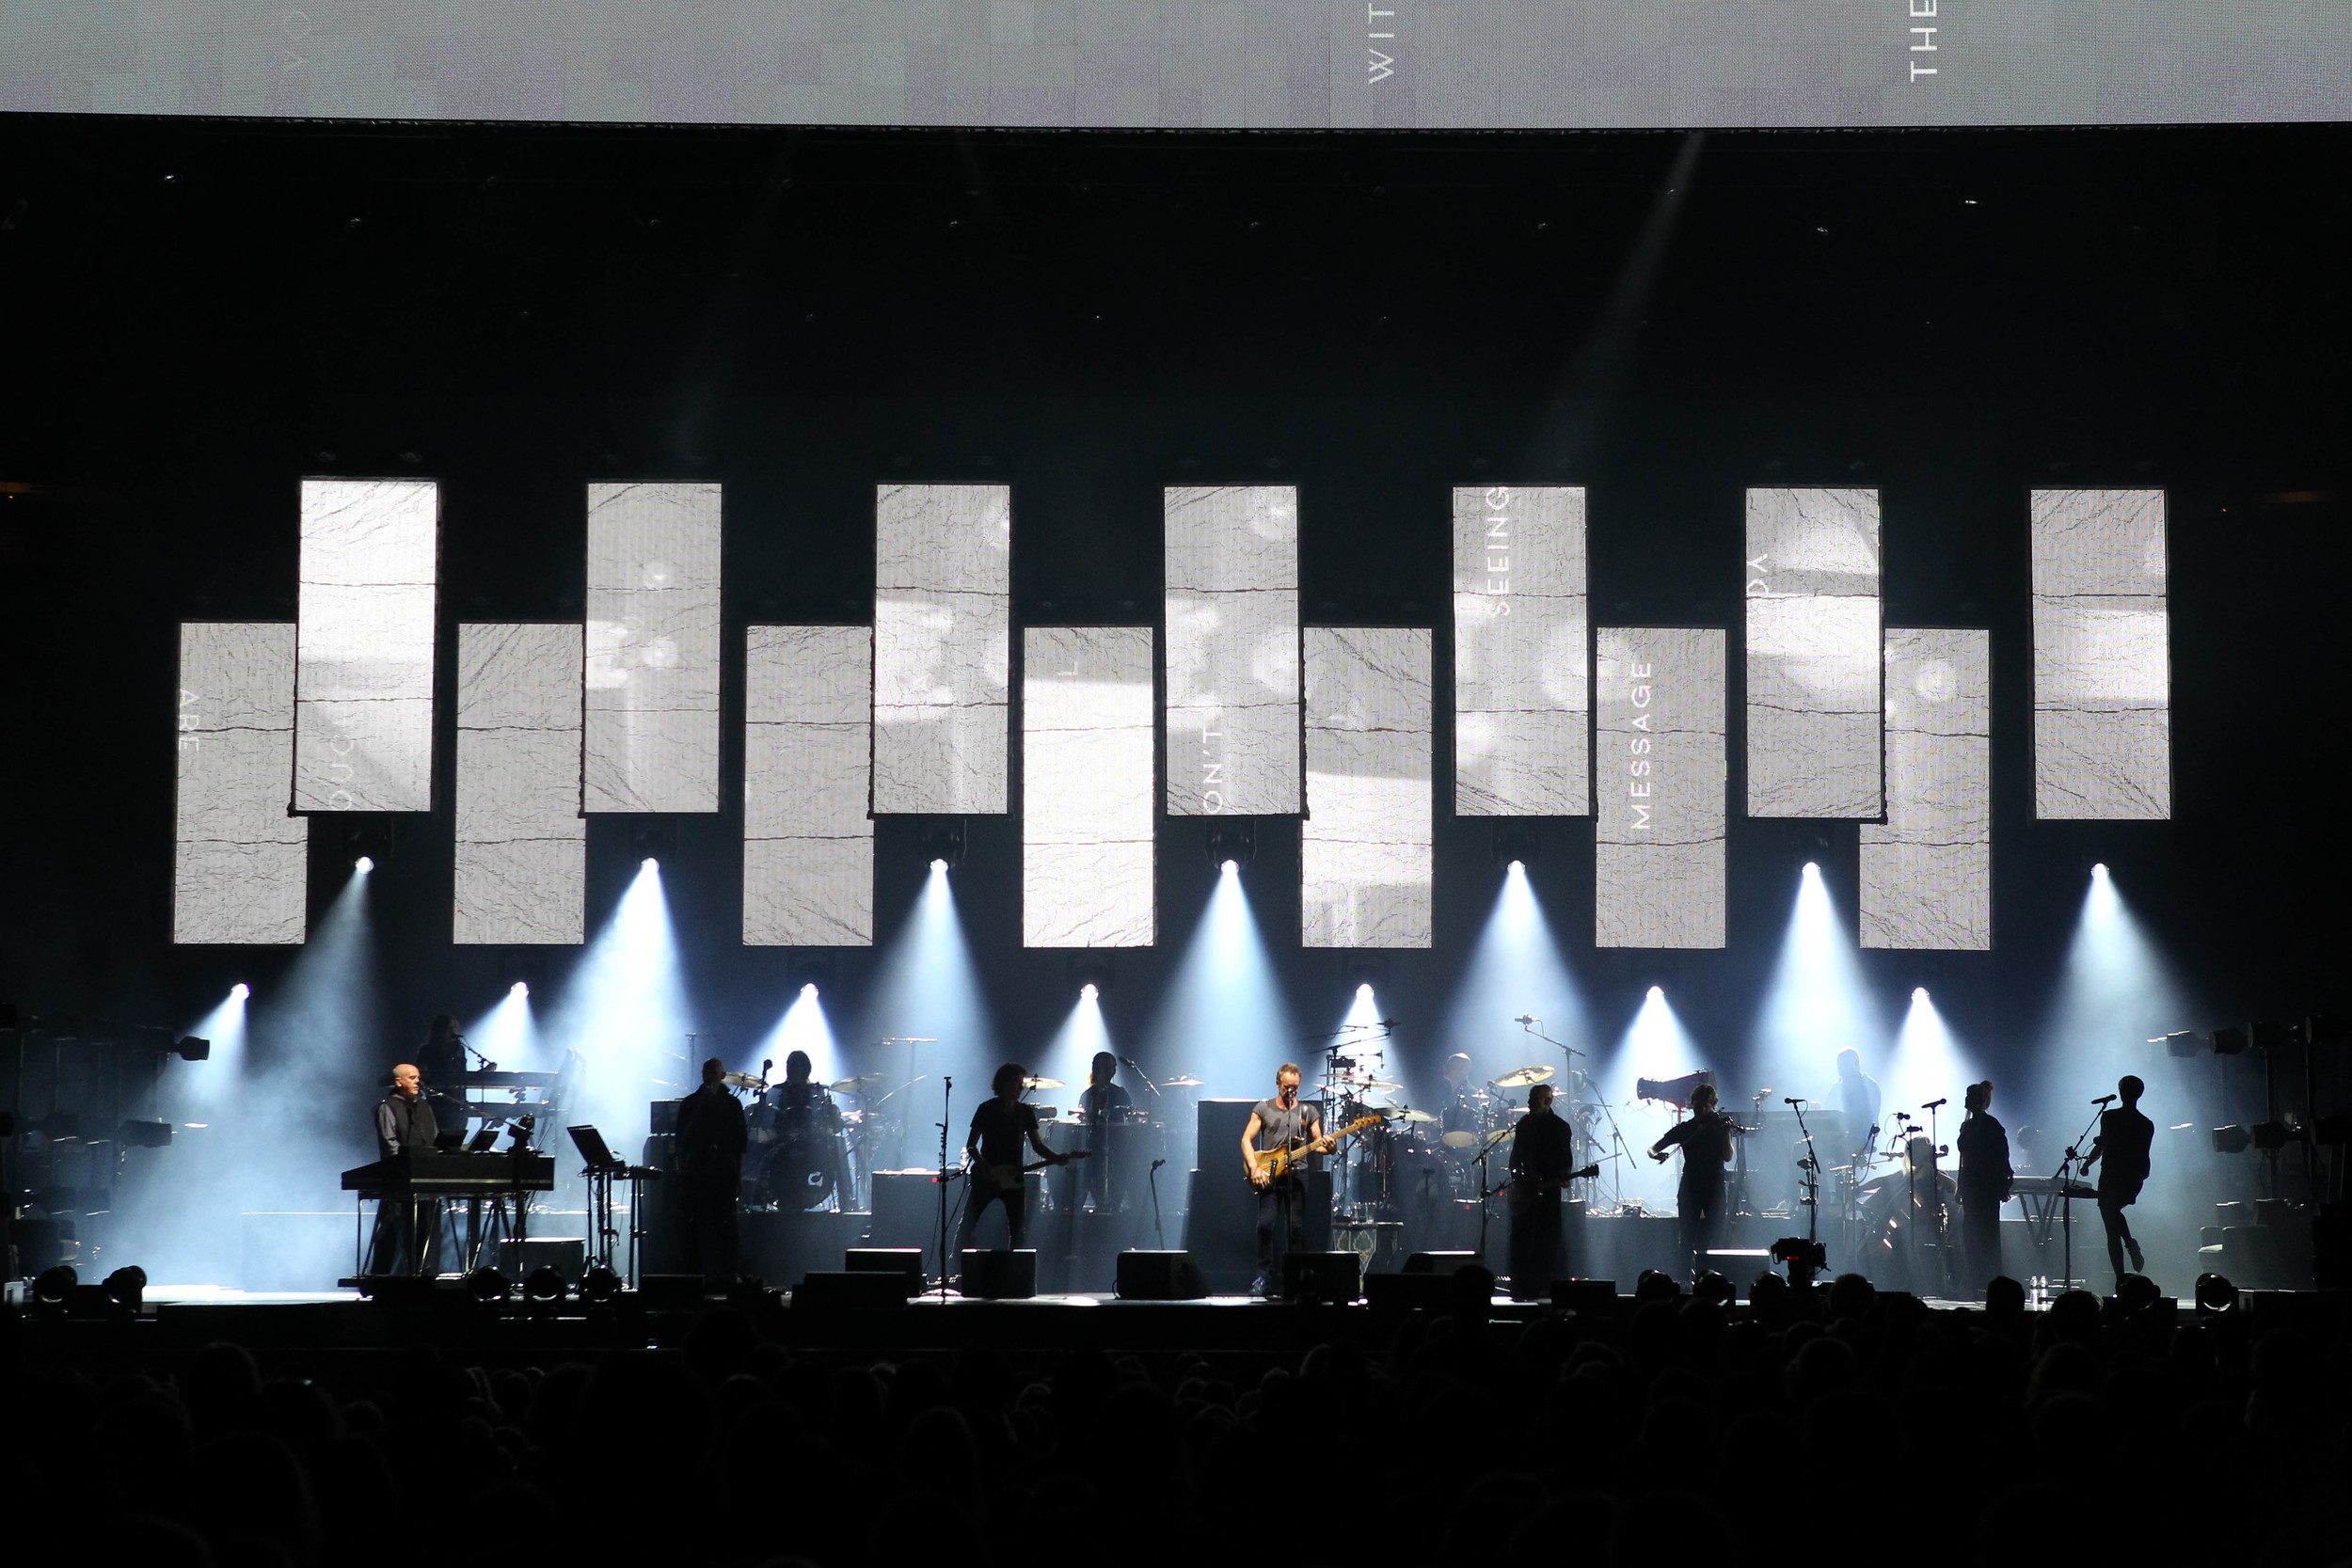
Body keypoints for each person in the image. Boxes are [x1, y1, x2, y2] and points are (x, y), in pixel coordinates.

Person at [957, 1063, 1069, 1260]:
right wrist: (985, 1168)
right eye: (1017, 1084)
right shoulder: (986, 1109)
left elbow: (1037, 1145)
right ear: (1004, 1083)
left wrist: (1056, 1158)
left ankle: (1015, 1268)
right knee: (968, 1224)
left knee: (1017, 1228)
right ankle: (955, 1265)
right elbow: (971, 1146)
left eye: (1021, 1084)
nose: (1021, 1088)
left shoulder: (1024, 1112)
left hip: (1014, 1177)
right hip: (986, 1177)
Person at [1241, 1063, 1335, 1297]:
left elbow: (1318, 1144)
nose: (1291, 1091)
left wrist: (1329, 1148)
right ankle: (1264, 1277)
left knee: (1295, 1230)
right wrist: (1254, 1168)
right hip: (1269, 1174)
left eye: (1295, 1087)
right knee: (1265, 1225)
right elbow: (1246, 1140)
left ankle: (1292, 1280)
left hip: (1298, 1174)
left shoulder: (1308, 1111)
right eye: (1286, 1087)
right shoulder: (1264, 1108)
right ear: (1277, 1084)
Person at [675, 1057, 748, 1286]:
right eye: (707, 1072)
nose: (710, 1077)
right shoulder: (690, 1104)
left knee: (727, 1225)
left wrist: (738, 1177)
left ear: (722, 1075)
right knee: (695, 1226)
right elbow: (681, 1141)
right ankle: (694, 1277)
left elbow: (740, 1145)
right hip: (697, 1172)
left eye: (714, 1072)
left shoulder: (732, 1105)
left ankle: (729, 1274)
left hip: (724, 1172)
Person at [1650, 1083, 1733, 1280]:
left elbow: (1728, 1156)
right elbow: (1652, 1148)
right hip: (1691, 1185)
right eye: (1698, 1107)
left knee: (1717, 1235)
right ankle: (1682, 1281)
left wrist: (1726, 1133)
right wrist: (1657, 1155)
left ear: (1713, 1105)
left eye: (1706, 1107)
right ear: (1692, 1105)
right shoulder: (1687, 1129)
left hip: (1714, 1184)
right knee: (1686, 1237)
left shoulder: (1719, 1126)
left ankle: (1714, 1279)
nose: (1702, 1111)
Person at [366, 1063, 442, 1275]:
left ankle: (420, 1274)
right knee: (392, 1231)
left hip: (426, 1181)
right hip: (398, 1181)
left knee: (426, 1230)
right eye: (412, 1078)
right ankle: (379, 1277)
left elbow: (435, 1140)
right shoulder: (387, 1107)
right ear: (399, 1082)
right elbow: (390, 1145)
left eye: (418, 1077)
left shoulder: (425, 1107)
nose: (417, 1081)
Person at [1505, 1082, 1580, 1299]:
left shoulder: (1560, 1127)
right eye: (1529, 1099)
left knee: (1546, 1239)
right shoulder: (1524, 1124)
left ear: (1548, 1100)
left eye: (1533, 1099)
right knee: (1521, 1238)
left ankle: (1544, 1284)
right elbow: (1515, 1156)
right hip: (1524, 1190)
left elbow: (1565, 1160)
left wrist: (1564, 1174)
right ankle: (1520, 1283)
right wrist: (1517, 1181)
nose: (1529, 1104)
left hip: (1547, 1192)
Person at [2083, 1074, 2153, 1283]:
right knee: (2110, 1218)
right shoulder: (2138, 1122)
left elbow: (2103, 1145)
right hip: (2115, 1175)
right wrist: (2087, 1163)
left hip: (2124, 1176)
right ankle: (2124, 1263)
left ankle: (2121, 1274)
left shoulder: (2132, 1122)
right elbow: (2103, 1145)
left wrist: (2088, 1163)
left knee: (2110, 1214)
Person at [1956, 1081, 2014, 1292]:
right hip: (1973, 1185)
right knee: (1971, 1232)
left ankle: (1988, 1281)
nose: (1965, 1101)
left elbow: (2001, 1157)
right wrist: (1959, 1187)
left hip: (1985, 1186)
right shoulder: (1969, 1125)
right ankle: (1974, 1278)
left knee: (1987, 1233)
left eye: (1969, 1096)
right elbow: (1963, 1157)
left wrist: (2003, 1184)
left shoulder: (1991, 1125)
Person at [1073, 1052, 1133, 1212]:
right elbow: (1082, 1121)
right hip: (1093, 1148)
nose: (1112, 1071)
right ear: (1097, 1069)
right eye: (1108, 1067)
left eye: (1113, 1068)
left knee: (1120, 1181)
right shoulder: (1088, 1095)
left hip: (1118, 1147)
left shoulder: (1120, 1093)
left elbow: (1131, 1117)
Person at [1833, 1048, 1881, 1164]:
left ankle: (1840, 1180)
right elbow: (1827, 1110)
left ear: (1855, 1063)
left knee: (1841, 1147)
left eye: (1844, 1065)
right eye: (1839, 1065)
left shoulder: (1869, 1086)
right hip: (1838, 1136)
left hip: (1861, 1137)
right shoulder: (1837, 1086)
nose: (1841, 1069)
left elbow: (1868, 1120)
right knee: (1803, 1147)